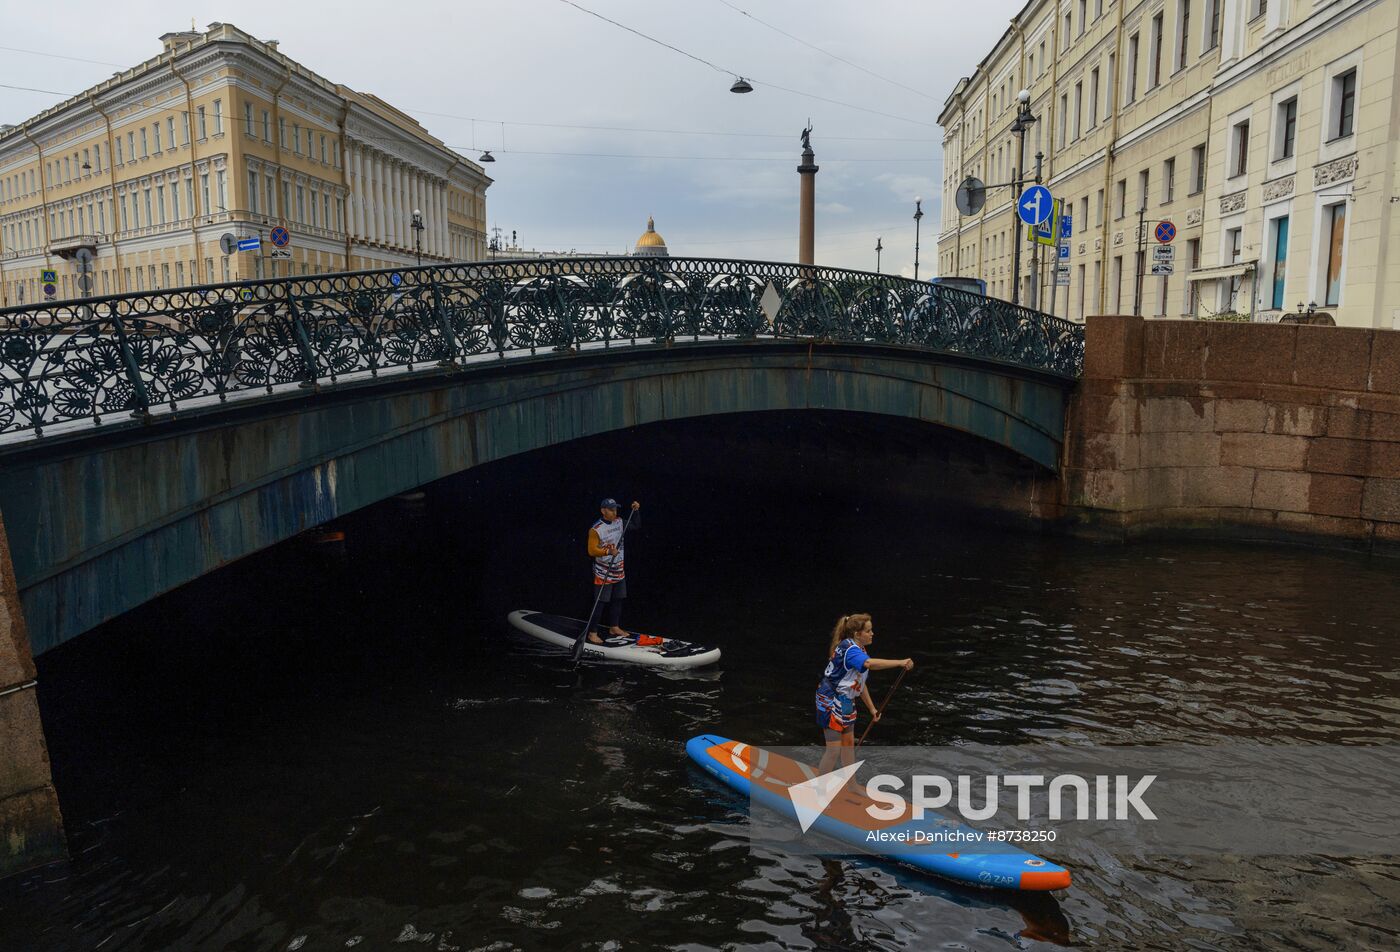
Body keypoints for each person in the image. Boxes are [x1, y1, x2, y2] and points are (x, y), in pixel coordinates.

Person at [815, 614, 913, 773]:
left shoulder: (859, 649)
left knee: (848, 747)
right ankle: (819, 792)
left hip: (846, 700)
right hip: (830, 700)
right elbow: (869, 664)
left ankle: (851, 786)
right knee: (833, 751)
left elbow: (858, 683)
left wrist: (872, 709)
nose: (872, 633)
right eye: (868, 631)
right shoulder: (850, 649)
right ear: (857, 634)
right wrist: (899, 662)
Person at [585, 498, 644, 645]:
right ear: (603, 511)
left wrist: (635, 511)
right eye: (611, 510)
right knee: (601, 602)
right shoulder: (596, 529)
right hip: (603, 571)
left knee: (618, 598)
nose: (614, 512)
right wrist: (607, 551)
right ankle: (592, 633)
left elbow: (636, 525)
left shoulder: (619, 522)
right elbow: (591, 550)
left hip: (619, 569)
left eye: (615, 509)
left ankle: (614, 627)